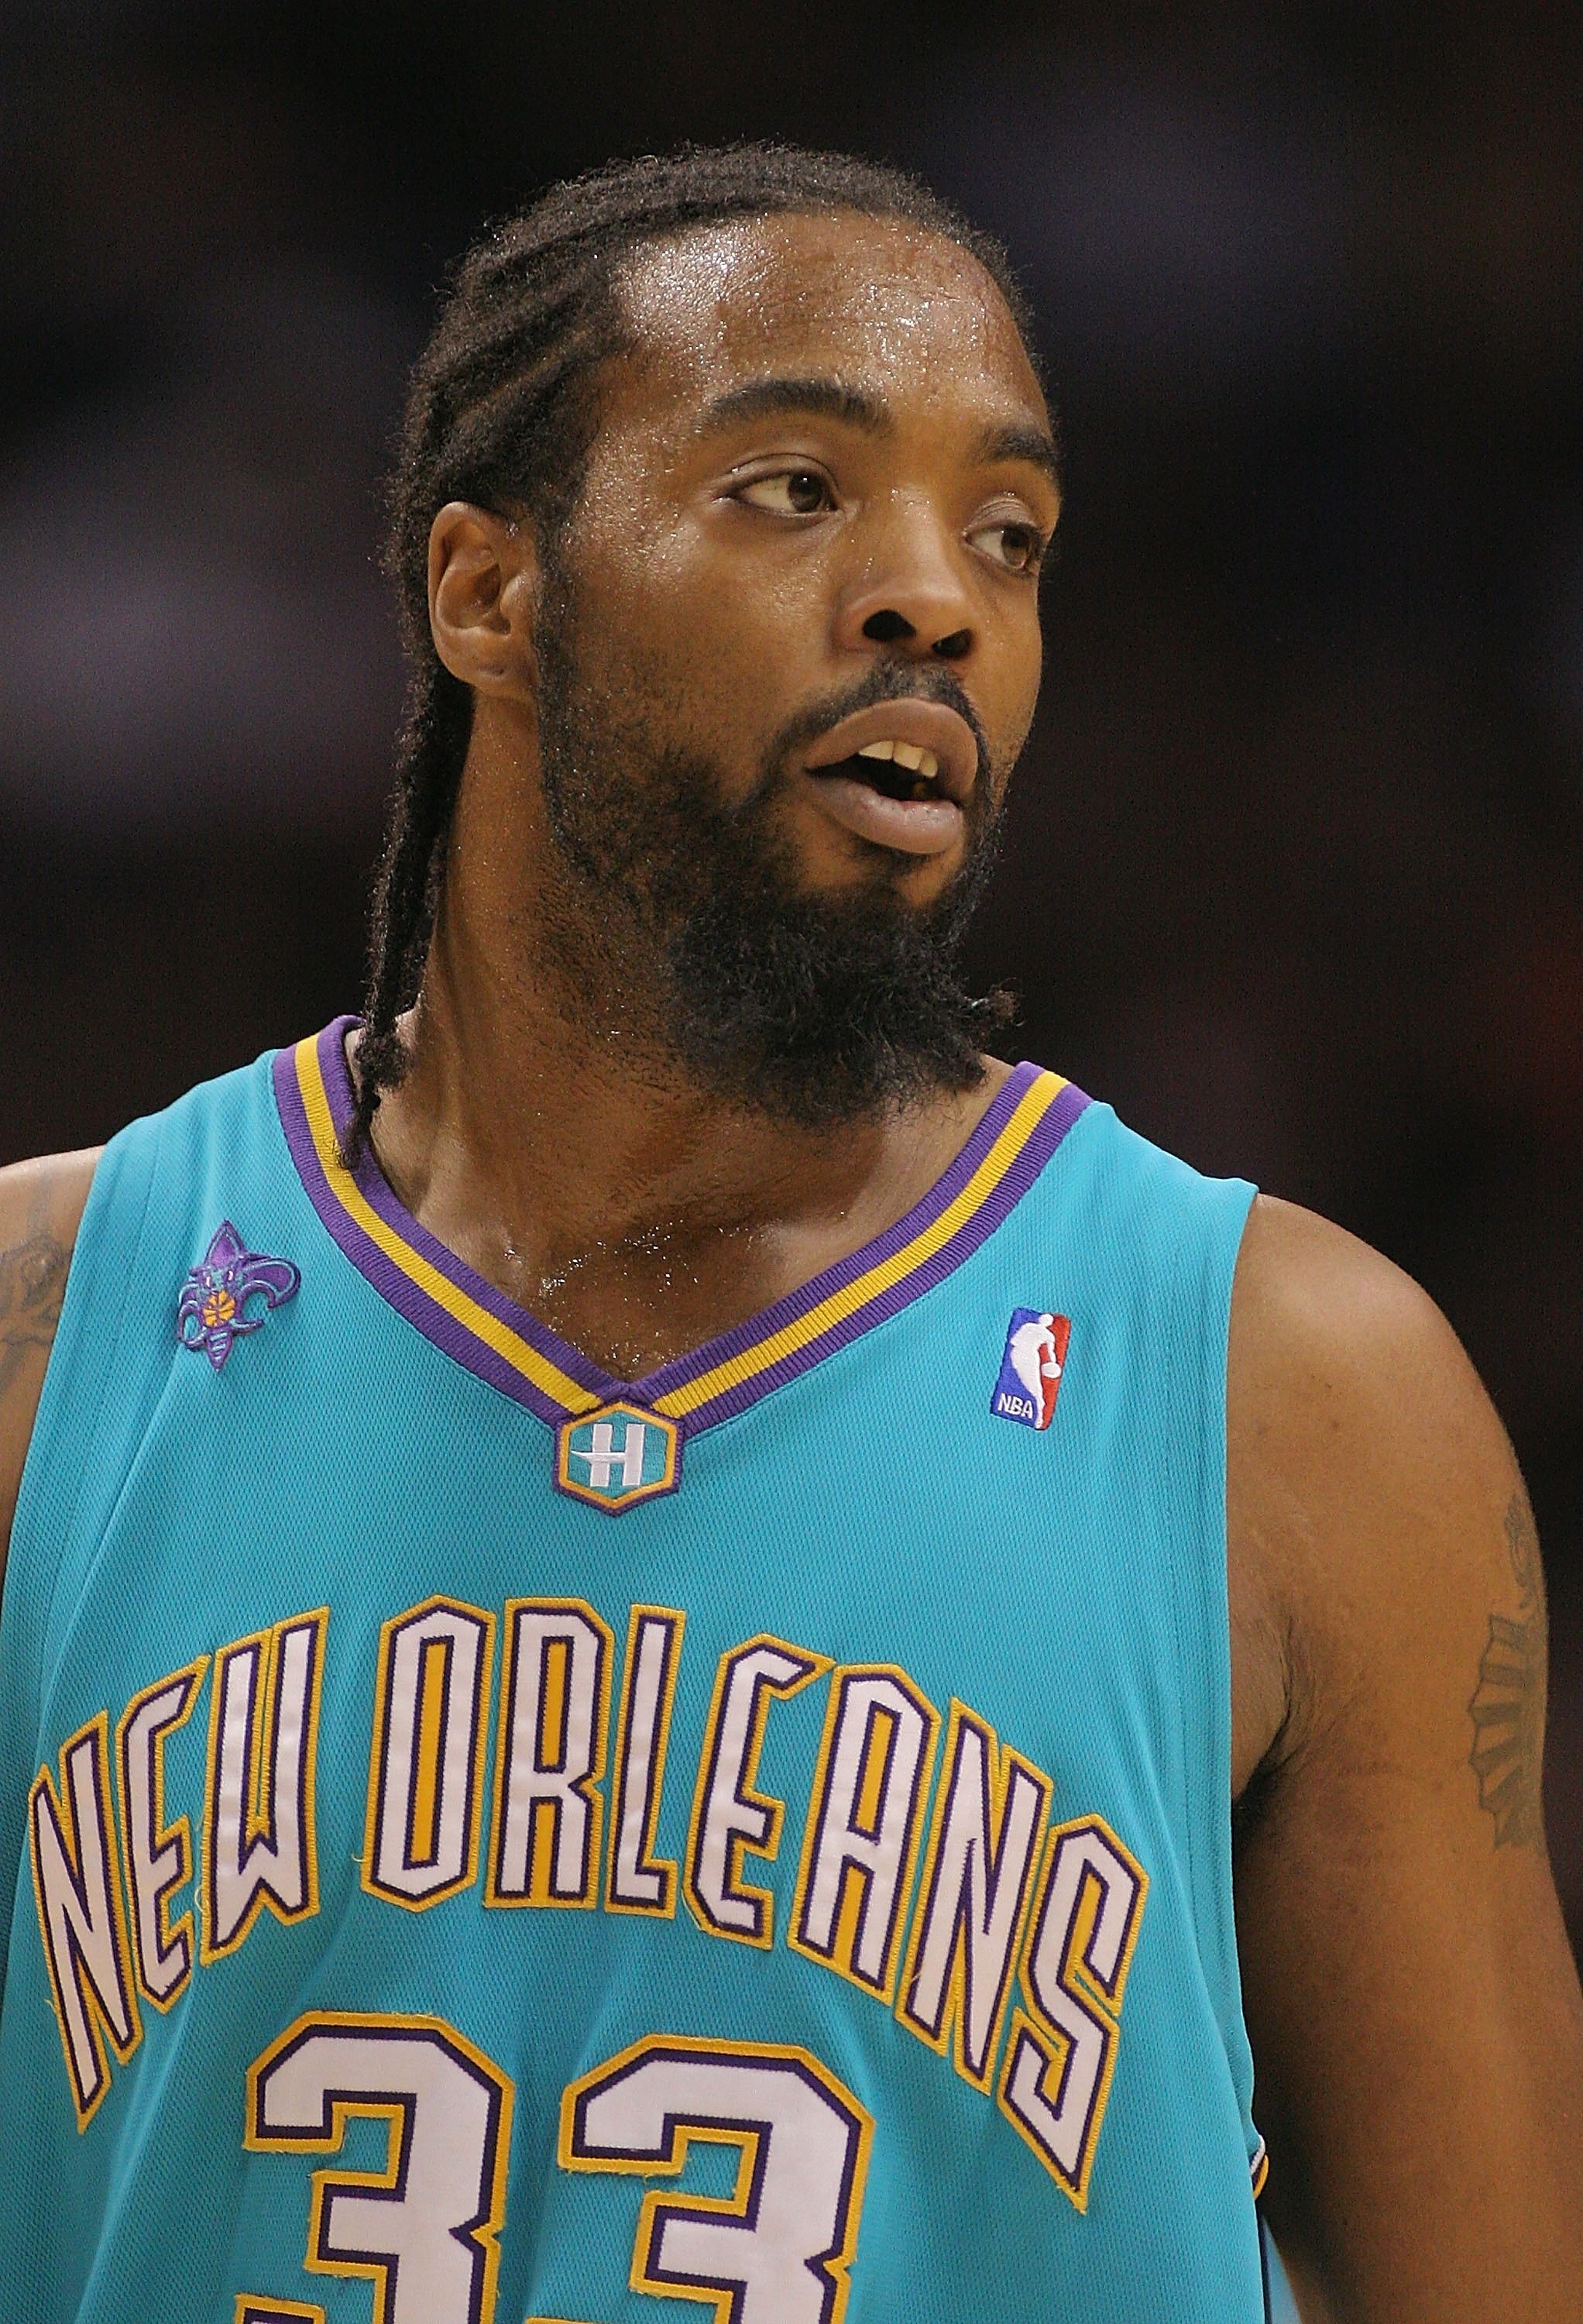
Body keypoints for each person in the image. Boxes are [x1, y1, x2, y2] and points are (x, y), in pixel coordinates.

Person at [0, 143, 1578, 2324]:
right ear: (488, 593)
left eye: (1005, 534)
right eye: (793, 489)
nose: (933, 594)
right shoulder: (46, 1331)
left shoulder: (1288, 1391)